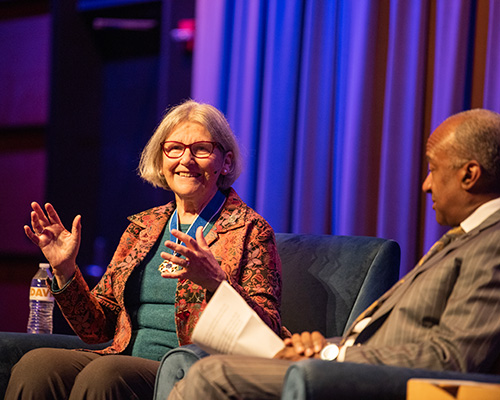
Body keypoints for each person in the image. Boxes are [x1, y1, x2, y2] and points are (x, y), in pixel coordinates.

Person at [167, 108, 500, 400]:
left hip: (378, 381)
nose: (426, 184)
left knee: (214, 375)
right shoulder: (465, 239)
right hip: (346, 364)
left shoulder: (493, 245)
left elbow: (452, 359)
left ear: (469, 174)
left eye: (433, 168)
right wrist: (321, 346)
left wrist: (330, 355)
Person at [5, 100, 283, 400]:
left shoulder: (250, 230)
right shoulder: (143, 227)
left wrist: (218, 283)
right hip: (121, 357)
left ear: (225, 162)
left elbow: (267, 331)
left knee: (105, 375)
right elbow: (98, 328)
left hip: (191, 371)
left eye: (201, 149)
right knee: (35, 364)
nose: (186, 160)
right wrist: (65, 270)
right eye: (174, 148)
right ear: (162, 160)